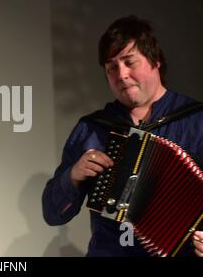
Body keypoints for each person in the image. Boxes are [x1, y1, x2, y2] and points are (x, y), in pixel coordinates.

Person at [42, 15, 203, 256]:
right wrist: (72, 177)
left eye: (130, 62)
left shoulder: (196, 120)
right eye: (111, 68)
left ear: (155, 60)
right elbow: (53, 214)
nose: (122, 75)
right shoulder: (93, 128)